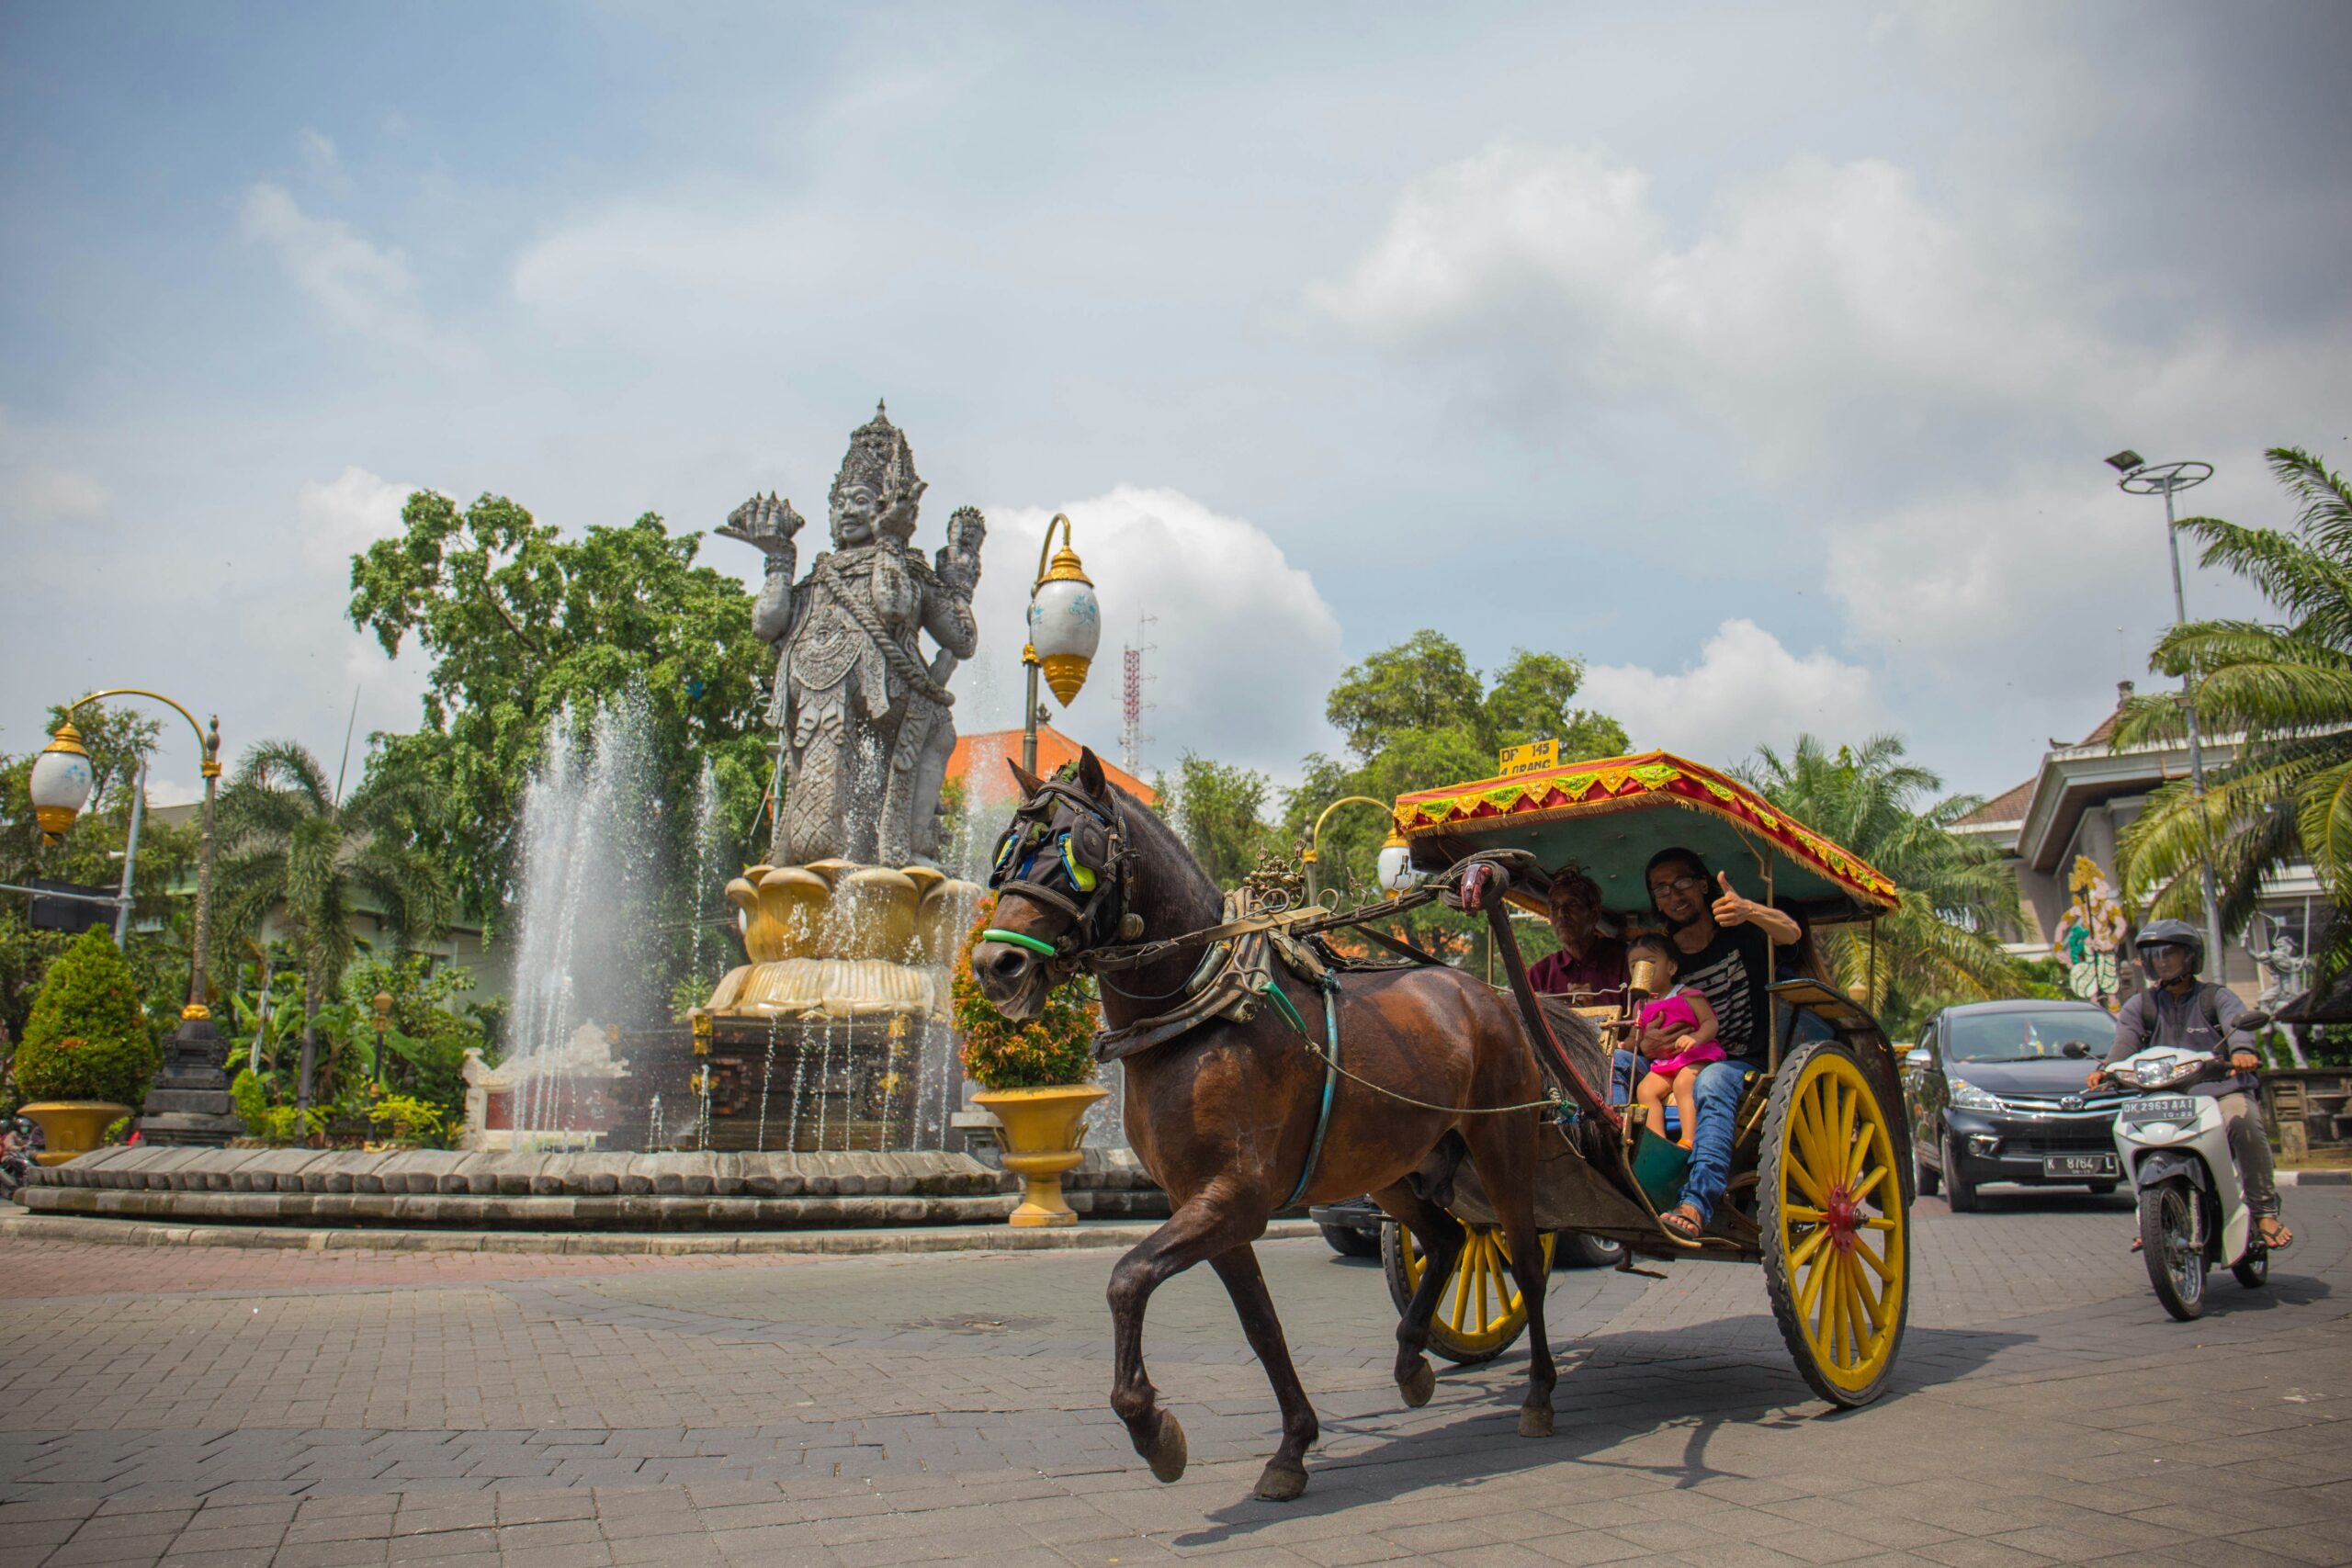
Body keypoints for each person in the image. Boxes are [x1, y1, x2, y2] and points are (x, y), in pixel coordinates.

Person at [2094, 919, 2290, 1251]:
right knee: (2123, 1132)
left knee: (2245, 1125)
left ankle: (2264, 1210)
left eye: (2171, 953)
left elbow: (2238, 1026)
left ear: (2191, 957)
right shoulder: (2140, 1005)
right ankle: (2153, 1217)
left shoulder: (2217, 998)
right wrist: (2106, 1070)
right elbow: (2125, 1042)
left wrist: (2242, 1051)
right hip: (2164, 1097)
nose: (2163, 960)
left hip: (2219, 1093)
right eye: (2155, 954)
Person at [1641, 847, 1801, 1242]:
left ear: (1703, 885)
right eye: (1661, 889)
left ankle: (1697, 1198)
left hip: (1741, 1059)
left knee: (1710, 1080)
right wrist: (1647, 1044)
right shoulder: (1664, 956)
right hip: (1677, 1063)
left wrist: (1750, 910)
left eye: (1681, 883)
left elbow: (1791, 932)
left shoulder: (1742, 932)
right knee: (1620, 1068)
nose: (1673, 896)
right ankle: (1637, 1175)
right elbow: (1648, 1017)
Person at [1626, 935, 1722, 1145]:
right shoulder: (1639, 1006)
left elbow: (1710, 1022)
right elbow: (1635, 1038)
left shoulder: (1688, 995)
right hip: (1666, 1064)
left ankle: (1689, 1138)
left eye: (1650, 963)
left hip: (1696, 1056)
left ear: (1671, 967)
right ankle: (1657, 1141)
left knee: (1683, 1084)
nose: (1643, 970)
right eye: (1635, 966)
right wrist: (1624, 1045)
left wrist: (1696, 1037)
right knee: (1645, 1090)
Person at [1527, 865, 1629, 1001]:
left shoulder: (1625, 962)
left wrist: (1595, 1011)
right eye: (1555, 907)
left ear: (1594, 914)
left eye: (1572, 904)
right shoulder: (1539, 975)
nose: (1562, 914)